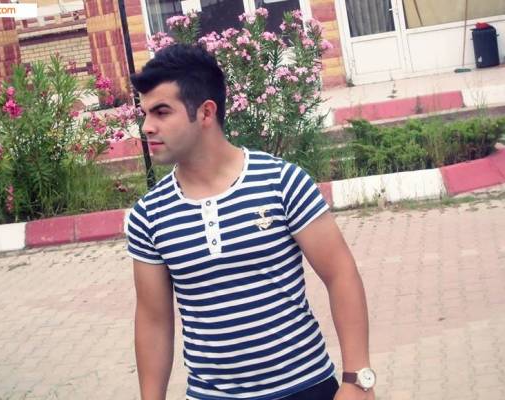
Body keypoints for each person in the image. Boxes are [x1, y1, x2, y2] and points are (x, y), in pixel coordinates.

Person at [126, 44, 375, 400]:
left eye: (161, 112)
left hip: (305, 387)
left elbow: (341, 275)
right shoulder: (149, 214)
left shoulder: (281, 182)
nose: (147, 127)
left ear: (206, 112)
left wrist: (357, 380)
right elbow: (153, 320)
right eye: (145, 113)